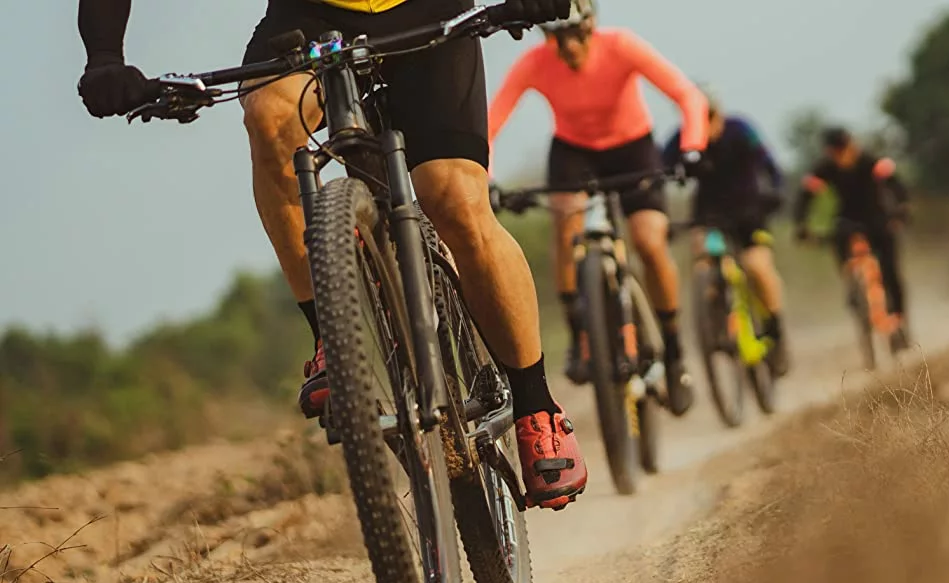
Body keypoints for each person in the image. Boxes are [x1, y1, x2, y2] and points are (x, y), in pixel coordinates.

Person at [74, 0, 589, 511]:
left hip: (428, 8)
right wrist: (103, 54)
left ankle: (535, 406)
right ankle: (331, 340)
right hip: (310, 15)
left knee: (454, 197)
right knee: (270, 120)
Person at [487, 0, 705, 415]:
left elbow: (686, 95)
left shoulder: (622, 45)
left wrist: (692, 147)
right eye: (556, 38)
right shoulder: (533, 63)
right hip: (574, 152)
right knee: (566, 222)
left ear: (591, 27)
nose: (568, 47)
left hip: (633, 148)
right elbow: (491, 121)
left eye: (576, 35)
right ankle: (577, 334)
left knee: (648, 241)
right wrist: (491, 179)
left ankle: (674, 351)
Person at [661, 91, 790, 376]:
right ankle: (715, 318)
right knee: (702, 258)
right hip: (708, 215)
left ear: (718, 113)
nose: (703, 125)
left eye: (708, 117)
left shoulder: (740, 129)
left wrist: (777, 190)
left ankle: (775, 329)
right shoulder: (681, 139)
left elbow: (767, 161)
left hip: (749, 211)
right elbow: (659, 172)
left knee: (757, 267)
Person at [794, 127, 913, 348]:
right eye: (835, 151)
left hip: (877, 218)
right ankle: (853, 287)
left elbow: (896, 184)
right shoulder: (825, 168)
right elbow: (805, 196)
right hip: (846, 220)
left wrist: (902, 210)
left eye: (843, 149)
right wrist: (802, 225)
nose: (840, 155)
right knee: (839, 243)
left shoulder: (870, 162)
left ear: (852, 145)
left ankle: (899, 320)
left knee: (890, 271)